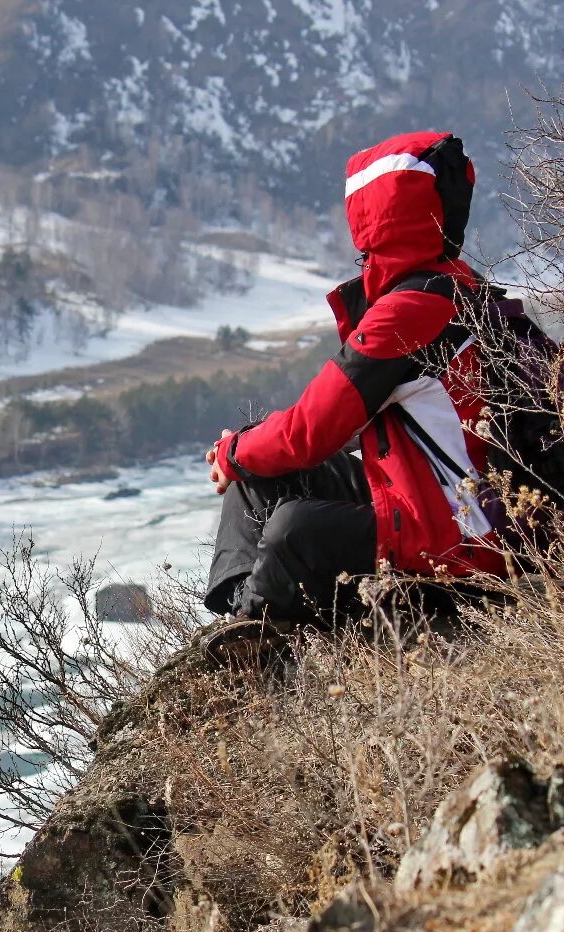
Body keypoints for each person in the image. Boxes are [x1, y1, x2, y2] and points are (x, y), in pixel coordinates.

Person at [203, 131, 511, 629]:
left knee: (292, 527)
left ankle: (260, 637)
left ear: (373, 216)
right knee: (258, 474)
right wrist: (246, 453)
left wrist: (232, 452)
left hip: (456, 539)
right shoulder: (459, 287)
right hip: (450, 507)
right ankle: (248, 618)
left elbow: (310, 431)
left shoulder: (408, 313)